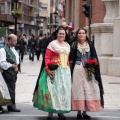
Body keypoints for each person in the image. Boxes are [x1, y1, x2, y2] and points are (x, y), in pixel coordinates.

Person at [33, 26, 71, 120]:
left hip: (65, 71)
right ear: (57, 34)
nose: (62, 35)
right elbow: (47, 57)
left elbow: (67, 59)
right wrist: (48, 69)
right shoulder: (52, 44)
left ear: (65, 35)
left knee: (63, 91)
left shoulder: (67, 45)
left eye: (63, 34)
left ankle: (60, 111)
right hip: (55, 70)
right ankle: (50, 113)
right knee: (52, 91)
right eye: (60, 33)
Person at [69, 28, 104, 119]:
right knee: (79, 90)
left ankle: (85, 112)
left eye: (83, 33)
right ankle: (79, 112)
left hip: (88, 69)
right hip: (77, 69)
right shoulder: (73, 45)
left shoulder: (90, 45)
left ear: (85, 34)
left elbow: (94, 56)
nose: (81, 35)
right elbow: (71, 59)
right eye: (79, 33)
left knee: (88, 89)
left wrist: (93, 64)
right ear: (77, 34)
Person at [0, 34, 21, 112]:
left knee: (9, 89)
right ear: (9, 41)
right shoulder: (3, 50)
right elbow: (2, 63)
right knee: (10, 88)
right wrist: (11, 65)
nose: (16, 42)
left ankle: (9, 105)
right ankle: (12, 106)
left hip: (13, 71)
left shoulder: (13, 49)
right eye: (14, 40)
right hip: (8, 71)